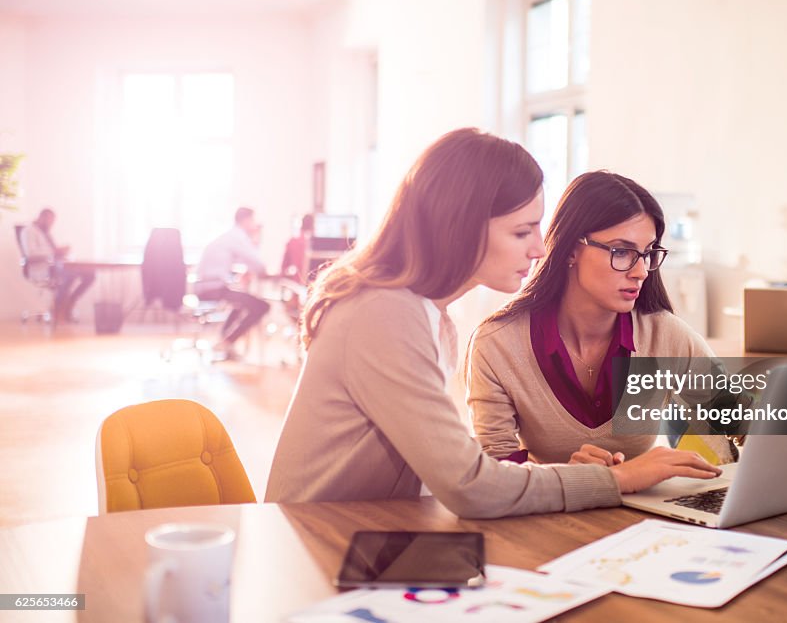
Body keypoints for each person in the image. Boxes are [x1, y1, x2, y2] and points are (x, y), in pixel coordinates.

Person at [265, 128, 721, 519]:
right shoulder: (385, 313)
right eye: (522, 231)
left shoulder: (428, 316)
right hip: (318, 541)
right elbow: (471, 483)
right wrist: (616, 479)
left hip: (374, 528)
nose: (540, 249)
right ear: (459, 226)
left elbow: (456, 471)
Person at [467, 171, 737, 467]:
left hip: (642, 510)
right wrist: (570, 477)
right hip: (547, 513)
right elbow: (495, 470)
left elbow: (737, 413)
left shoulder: (664, 336)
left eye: (647, 254)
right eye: (622, 251)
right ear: (570, 249)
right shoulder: (497, 344)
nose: (641, 271)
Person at [195, 207, 271, 358]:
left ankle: (225, 342)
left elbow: (236, 262)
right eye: (253, 221)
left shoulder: (229, 236)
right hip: (213, 287)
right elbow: (258, 265)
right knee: (262, 306)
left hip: (206, 285)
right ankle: (227, 342)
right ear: (246, 220)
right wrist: (257, 238)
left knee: (241, 303)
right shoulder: (238, 237)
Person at [19, 208, 95, 322]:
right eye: (49, 221)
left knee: (90, 274)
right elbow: (30, 254)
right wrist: (54, 252)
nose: (51, 224)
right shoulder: (28, 231)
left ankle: (70, 302)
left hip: (56, 266)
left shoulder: (45, 232)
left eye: (52, 222)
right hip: (40, 269)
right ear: (41, 217)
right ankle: (58, 309)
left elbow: (53, 253)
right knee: (69, 275)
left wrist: (62, 253)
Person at [281, 213, 314, 284]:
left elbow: (283, 268)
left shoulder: (292, 241)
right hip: (315, 286)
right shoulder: (315, 242)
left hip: (297, 285)